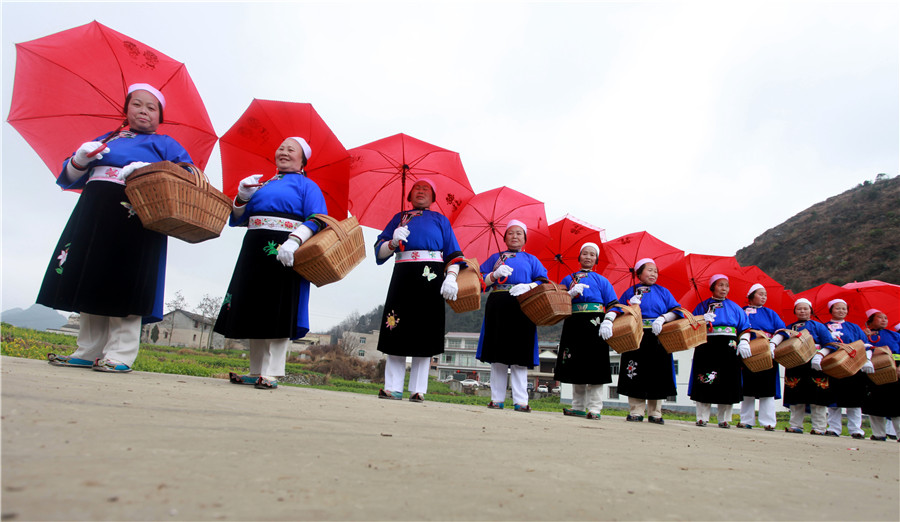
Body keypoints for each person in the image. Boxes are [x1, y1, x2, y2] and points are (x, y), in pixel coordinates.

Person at [40, 83, 192, 373]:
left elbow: (188, 175)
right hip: (93, 214)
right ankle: (87, 350)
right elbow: (68, 177)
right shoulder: (106, 139)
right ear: (126, 109)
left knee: (126, 279)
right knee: (91, 275)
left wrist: (147, 170)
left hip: (137, 217)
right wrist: (79, 159)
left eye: (151, 107)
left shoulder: (166, 144)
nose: (143, 111)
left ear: (160, 116)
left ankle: (120, 354)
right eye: (137, 104)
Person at [214, 136, 326, 390]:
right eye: (281, 148)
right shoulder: (262, 184)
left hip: (285, 252)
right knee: (255, 307)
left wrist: (294, 241)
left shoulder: (308, 186)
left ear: (303, 159)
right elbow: (238, 219)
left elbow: (319, 218)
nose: (284, 152)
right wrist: (242, 197)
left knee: (278, 308)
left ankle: (272, 372)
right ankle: (256, 370)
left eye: (291, 149)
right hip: (254, 249)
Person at [373, 179, 465, 402]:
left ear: (433, 197)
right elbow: (379, 253)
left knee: (425, 330)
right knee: (396, 327)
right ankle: (392, 387)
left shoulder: (441, 220)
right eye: (417, 188)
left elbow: (454, 254)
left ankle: (418, 389)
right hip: (403, 276)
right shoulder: (399, 218)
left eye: (426, 189)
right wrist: (393, 242)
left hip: (431, 278)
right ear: (409, 194)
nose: (421, 191)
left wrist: (451, 277)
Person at [477, 220, 548, 412]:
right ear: (504, 237)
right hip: (498, 306)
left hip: (523, 306)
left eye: (519, 233)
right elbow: (480, 281)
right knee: (497, 354)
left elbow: (543, 281)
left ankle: (521, 401)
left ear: (524, 238)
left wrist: (529, 286)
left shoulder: (531, 259)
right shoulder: (495, 258)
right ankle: (496, 399)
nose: (514, 236)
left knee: (520, 354)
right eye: (510, 233)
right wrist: (494, 275)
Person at [602, 258, 681, 424]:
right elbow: (618, 308)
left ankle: (655, 412)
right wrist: (626, 309)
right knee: (635, 372)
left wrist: (663, 318)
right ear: (638, 273)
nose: (654, 274)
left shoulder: (664, 292)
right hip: (636, 336)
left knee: (658, 373)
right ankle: (636, 411)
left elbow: (676, 310)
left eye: (656, 271)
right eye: (649, 270)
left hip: (658, 336)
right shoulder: (630, 292)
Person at [553, 243, 619, 420]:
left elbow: (613, 304)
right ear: (579, 257)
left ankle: (595, 408)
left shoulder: (602, 281)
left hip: (596, 325)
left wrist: (608, 320)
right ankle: (578, 406)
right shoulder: (568, 279)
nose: (588, 257)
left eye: (592, 254)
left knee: (595, 366)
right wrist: (569, 294)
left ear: (596, 259)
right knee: (577, 365)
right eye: (585, 253)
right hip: (574, 324)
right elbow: (557, 302)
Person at [688, 274, 752, 428]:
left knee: (727, 380)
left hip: (728, 347)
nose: (724, 289)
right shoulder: (702, 307)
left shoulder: (735, 307)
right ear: (713, 287)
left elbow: (745, 328)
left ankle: (724, 418)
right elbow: (690, 325)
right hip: (707, 345)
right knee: (704, 379)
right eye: (720, 285)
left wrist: (744, 341)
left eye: (726, 285)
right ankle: (702, 417)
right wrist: (702, 319)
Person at [771, 298, 836, 434]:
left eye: (805, 308)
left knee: (817, 397)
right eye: (799, 308)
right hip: (795, 364)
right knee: (796, 396)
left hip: (815, 363)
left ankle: (819, 427)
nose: (802, 311)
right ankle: (796, 425)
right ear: (795, 311)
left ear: (811, 311)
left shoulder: (819, 327)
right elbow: (781, 338)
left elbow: (830, 344)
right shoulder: (790, 327)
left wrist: (820, 355)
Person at [823, 299, 874, 438]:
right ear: (831, 310)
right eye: (838, 308)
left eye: (844, 308)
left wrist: (867, 360)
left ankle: (856, 429)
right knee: (834, 400)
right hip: (833, 367)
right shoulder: (824, 327)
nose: (841, 311)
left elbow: (865, 345)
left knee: (854, 400)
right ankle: (833, 428)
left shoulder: (854, 327)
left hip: (853, 366)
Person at [738, 283, 786, 430]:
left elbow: (782, 330)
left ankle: (768, 422)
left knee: (767, 388)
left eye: (765, 294)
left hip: (767, 352)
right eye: (760, 294)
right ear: (751, 296)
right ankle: (746, 420)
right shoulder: (741, 311)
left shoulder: (771, 313)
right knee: (747, 388)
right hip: (748, 352)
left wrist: (773, 343)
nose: (764, 297)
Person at [862, 310, 900, 442]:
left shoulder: (895, 335)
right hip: (871, 371)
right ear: (870, 321)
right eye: (880, 317)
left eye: (886, 318)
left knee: (896, 404)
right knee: (874, 403)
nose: (884, 320)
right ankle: (878, 434)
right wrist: (863, 336)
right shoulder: (862, 335)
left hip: (893, 372)